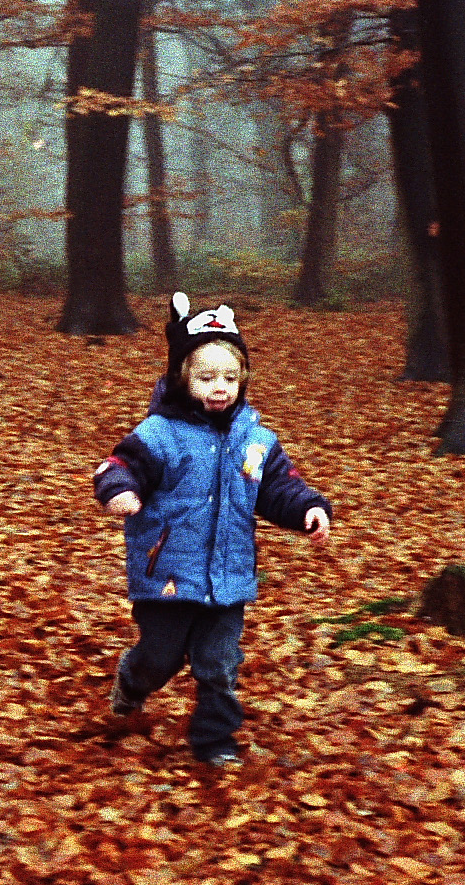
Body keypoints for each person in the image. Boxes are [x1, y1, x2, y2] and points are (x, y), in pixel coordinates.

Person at [92, 293, 332, 766]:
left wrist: (308, 508)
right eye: (206, 378)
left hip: (228, 577)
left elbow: (279, 486)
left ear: (243, 380)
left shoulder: (257, 441)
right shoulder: (160, 434)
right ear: (183, 378)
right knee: (160, 656)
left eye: (229, 377)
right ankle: (132, 681)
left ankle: (215, 742)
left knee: (218, 664)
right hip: (166, 575)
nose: (219, 387)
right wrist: (120, 490)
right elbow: (116, 465)